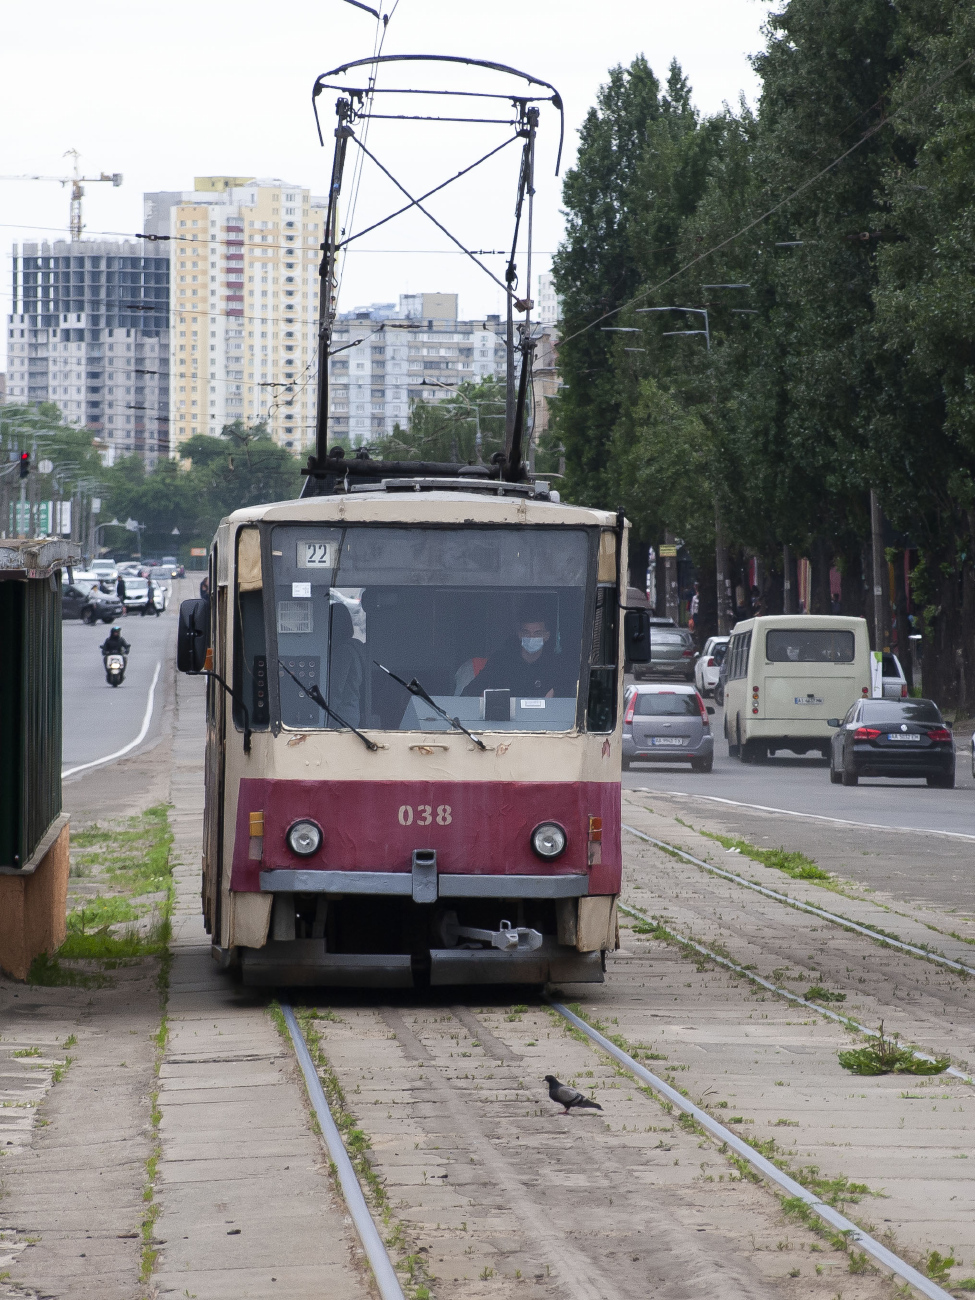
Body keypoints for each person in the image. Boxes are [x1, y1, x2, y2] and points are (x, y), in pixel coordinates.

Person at [462, 610, 572, 699]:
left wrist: (555, 694)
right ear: (520, 634)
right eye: (526, 632)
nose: (531, 637)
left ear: (547, 636)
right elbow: (469, 693)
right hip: (504, 719)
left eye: (537, 633)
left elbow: (568, 702)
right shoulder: (500, 661)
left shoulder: (557, 665)